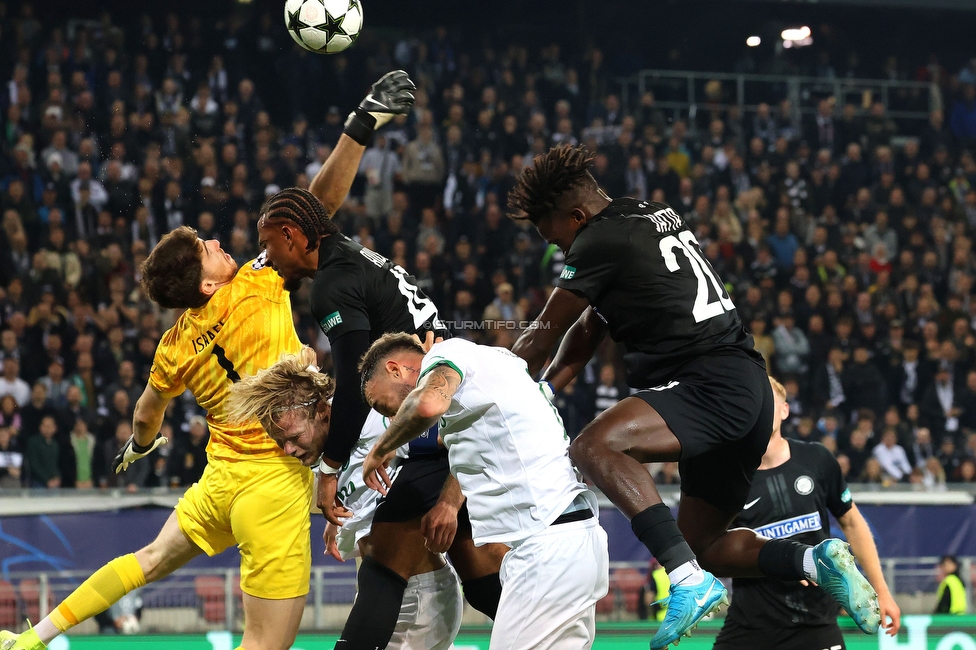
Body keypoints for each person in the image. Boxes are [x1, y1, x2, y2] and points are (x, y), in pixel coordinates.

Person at [0, 71, 403, 650]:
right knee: (265, 645)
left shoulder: (172, 348)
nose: (217, 244)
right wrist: (359, 129)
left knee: (150, 558)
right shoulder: (254, 285)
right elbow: (313, 211)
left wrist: (142, 446)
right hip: (275, 483)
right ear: (209, 285)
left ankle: (32, 638)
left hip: (220, 482)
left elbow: (145, 414)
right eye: (206, 250)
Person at [506, 145, 880, 648]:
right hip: (748, 386)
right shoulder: (646, 212)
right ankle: (812, 559)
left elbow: (541, 334)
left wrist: (497, 388)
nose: (558, 249)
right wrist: (548, 389)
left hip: (710, 384)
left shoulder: (596, 241)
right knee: (707, 544)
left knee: (592, 447)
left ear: (577, 216)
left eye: (556, 237)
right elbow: (591, 324)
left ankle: (684, 578)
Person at [258, 73, 504, 649]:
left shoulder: (331, 287)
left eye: (270, 245)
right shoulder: (342, 251)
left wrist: (326, 473)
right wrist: (359, 126)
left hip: (433, 408)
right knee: (466, 562)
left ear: (293, 237)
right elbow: (318, 204)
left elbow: (351, 383)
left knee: (386, 554)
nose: (265, 258)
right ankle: (548, 621)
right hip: (450, 401)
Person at [360, 333, 610, 650]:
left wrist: (381, 448)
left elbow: (425, 404)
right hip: (574, 537)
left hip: (547, 548)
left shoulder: (447, 355)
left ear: (396, 369)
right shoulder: (493, 365)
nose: (391, 417)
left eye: (386, 405)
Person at [226, 346, 463, 650]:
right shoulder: (324, 450)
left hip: (415, 599)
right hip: (394, 593)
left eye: (294, 438)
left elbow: (462, 437)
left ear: (324, 413)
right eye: (280, 442)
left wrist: (449, 503)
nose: (288, 450)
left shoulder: (372, 421)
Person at [713, 377, 900, 649]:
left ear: (785, 410)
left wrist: (880, 590)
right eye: (754, 400)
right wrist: (788, 562)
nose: (762, 407)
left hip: (816, 622)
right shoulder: (727, 477)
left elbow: (852, 523)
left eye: (769, 401)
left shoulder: (817, 459)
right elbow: (715, 550)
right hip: (751, 625)